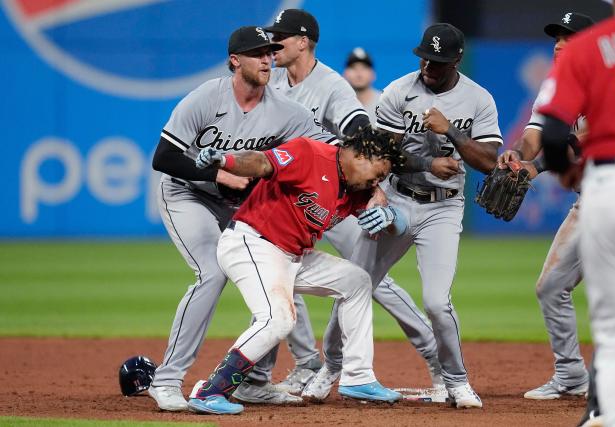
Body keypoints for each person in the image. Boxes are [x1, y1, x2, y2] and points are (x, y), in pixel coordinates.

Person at [242, 8, 443, 400]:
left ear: (303, 42)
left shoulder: (330, 86)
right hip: (291, 200)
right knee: (274, 281)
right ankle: (285, 370)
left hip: (336, 199)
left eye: (279, 38)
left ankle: (434, 356)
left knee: (370, 280)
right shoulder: (273, 83)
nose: (271, 45)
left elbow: (362, 134)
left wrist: (373, 189)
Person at [303, 23, 502, 409]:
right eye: (425, 56)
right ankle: (331, 367)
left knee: (436, 302)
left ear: (457, 60)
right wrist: (428, 160)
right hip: (396, 202)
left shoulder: (478, 99)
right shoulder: (398, 91)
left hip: (443, 207)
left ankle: (456, 380)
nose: (429, 64)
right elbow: (385, 155)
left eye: (439, 61)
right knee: (354, 282)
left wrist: (454, 134)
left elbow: (491, 162)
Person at [148, 25, 338, 411]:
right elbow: (164, 158)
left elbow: (331, 148)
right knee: (212, 273)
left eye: (270, 52)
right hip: (188, 193)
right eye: (257, 53)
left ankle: (254, 381)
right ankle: (166, 380)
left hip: (238, 205)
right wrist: (220, 174)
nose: (268, 59)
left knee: (275, 274)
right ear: (236, 60)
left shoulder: (286, 111)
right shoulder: (206, 97)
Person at [187, 128, 406, 415]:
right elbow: (262, 163)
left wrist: (391, 217)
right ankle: (210, 391)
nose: (377, 182)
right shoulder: (310, 154)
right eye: (377, 174)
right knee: (278, 320)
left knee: (356, 281)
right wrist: (226, 161)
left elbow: (398, 226)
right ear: (360, 155)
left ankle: (357, 377)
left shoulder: (356, 187)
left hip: (292, 256)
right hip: (252, 242)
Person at [539, 0, 615, 425]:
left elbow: (554, 132)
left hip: (614, 185)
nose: (561, 44)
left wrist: (565, 170)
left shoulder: (592, 48)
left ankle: (609, 415)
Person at [497, 12, 594, 401]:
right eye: (556, 37)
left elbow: (590, 134)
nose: (558, 44)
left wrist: (536, 167)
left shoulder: (609, 78)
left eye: (568, 38)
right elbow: (535, 134)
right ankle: (571, 375)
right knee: (552, 286)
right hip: (593, 202)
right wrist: (518, 157)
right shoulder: (555, 87)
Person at [343, 47, 382, 123]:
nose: (359, 73)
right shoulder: (335, 106)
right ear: (345, 74)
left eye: (364, 68)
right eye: (353, 68)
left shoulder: (387, 105)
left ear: (373, 74)